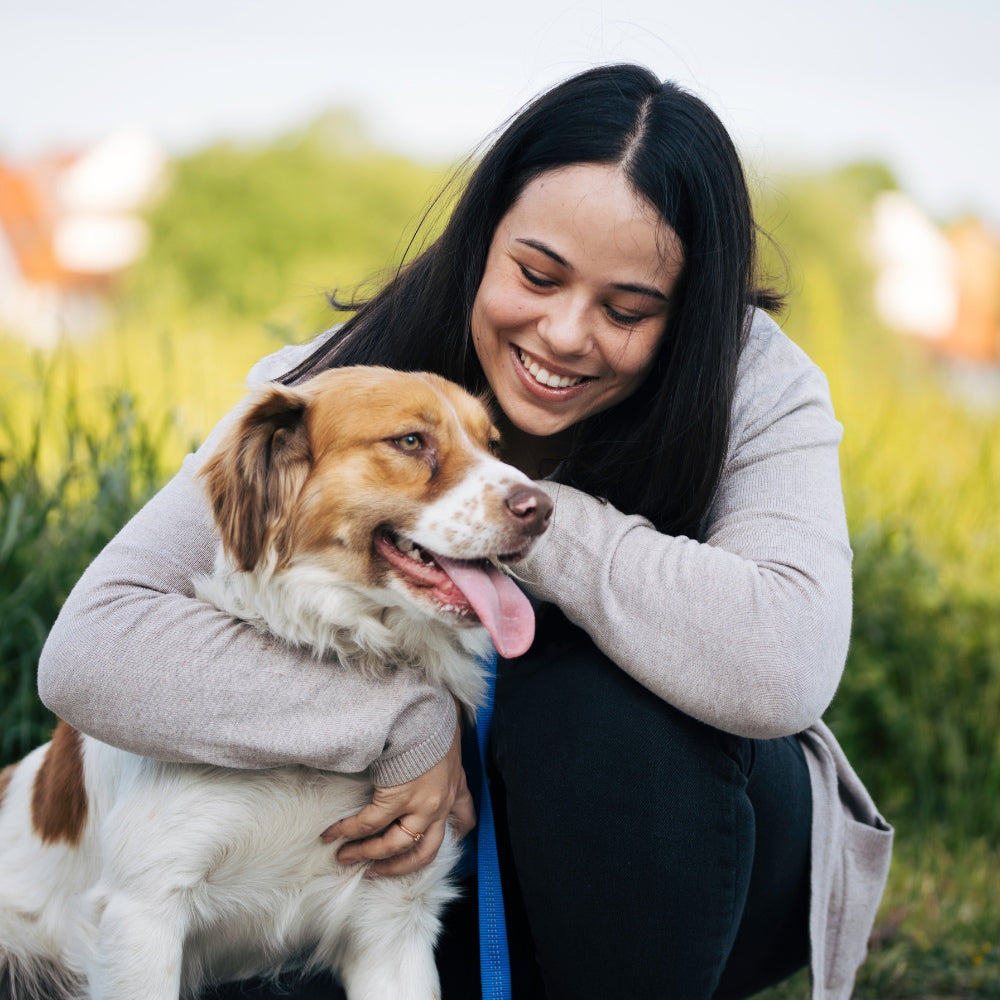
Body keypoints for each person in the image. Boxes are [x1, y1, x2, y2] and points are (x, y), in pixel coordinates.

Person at [38, 63, 892, 999]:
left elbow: (781, 666)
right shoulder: (338, 383)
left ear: (690, 310)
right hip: (403, 865)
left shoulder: (756, 384)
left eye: (627, 310)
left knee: (600, 710)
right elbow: (93, 648)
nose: (564, 333)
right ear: (483, 238)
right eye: (536, 275)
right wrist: (404, 723)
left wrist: (522, 518)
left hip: (692, 861)